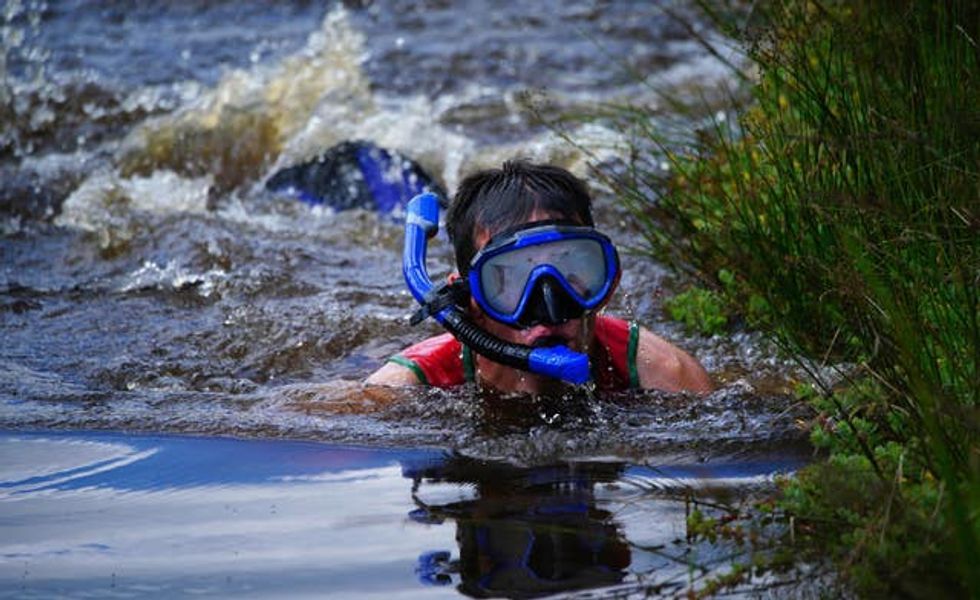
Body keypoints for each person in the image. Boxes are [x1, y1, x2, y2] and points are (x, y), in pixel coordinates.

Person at [366, 160, 713, 395]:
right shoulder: (416, 382)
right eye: (512, 280)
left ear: (610, 282)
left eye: (570, 272)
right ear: (471, 302)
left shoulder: (665, 373)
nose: (550, 306)